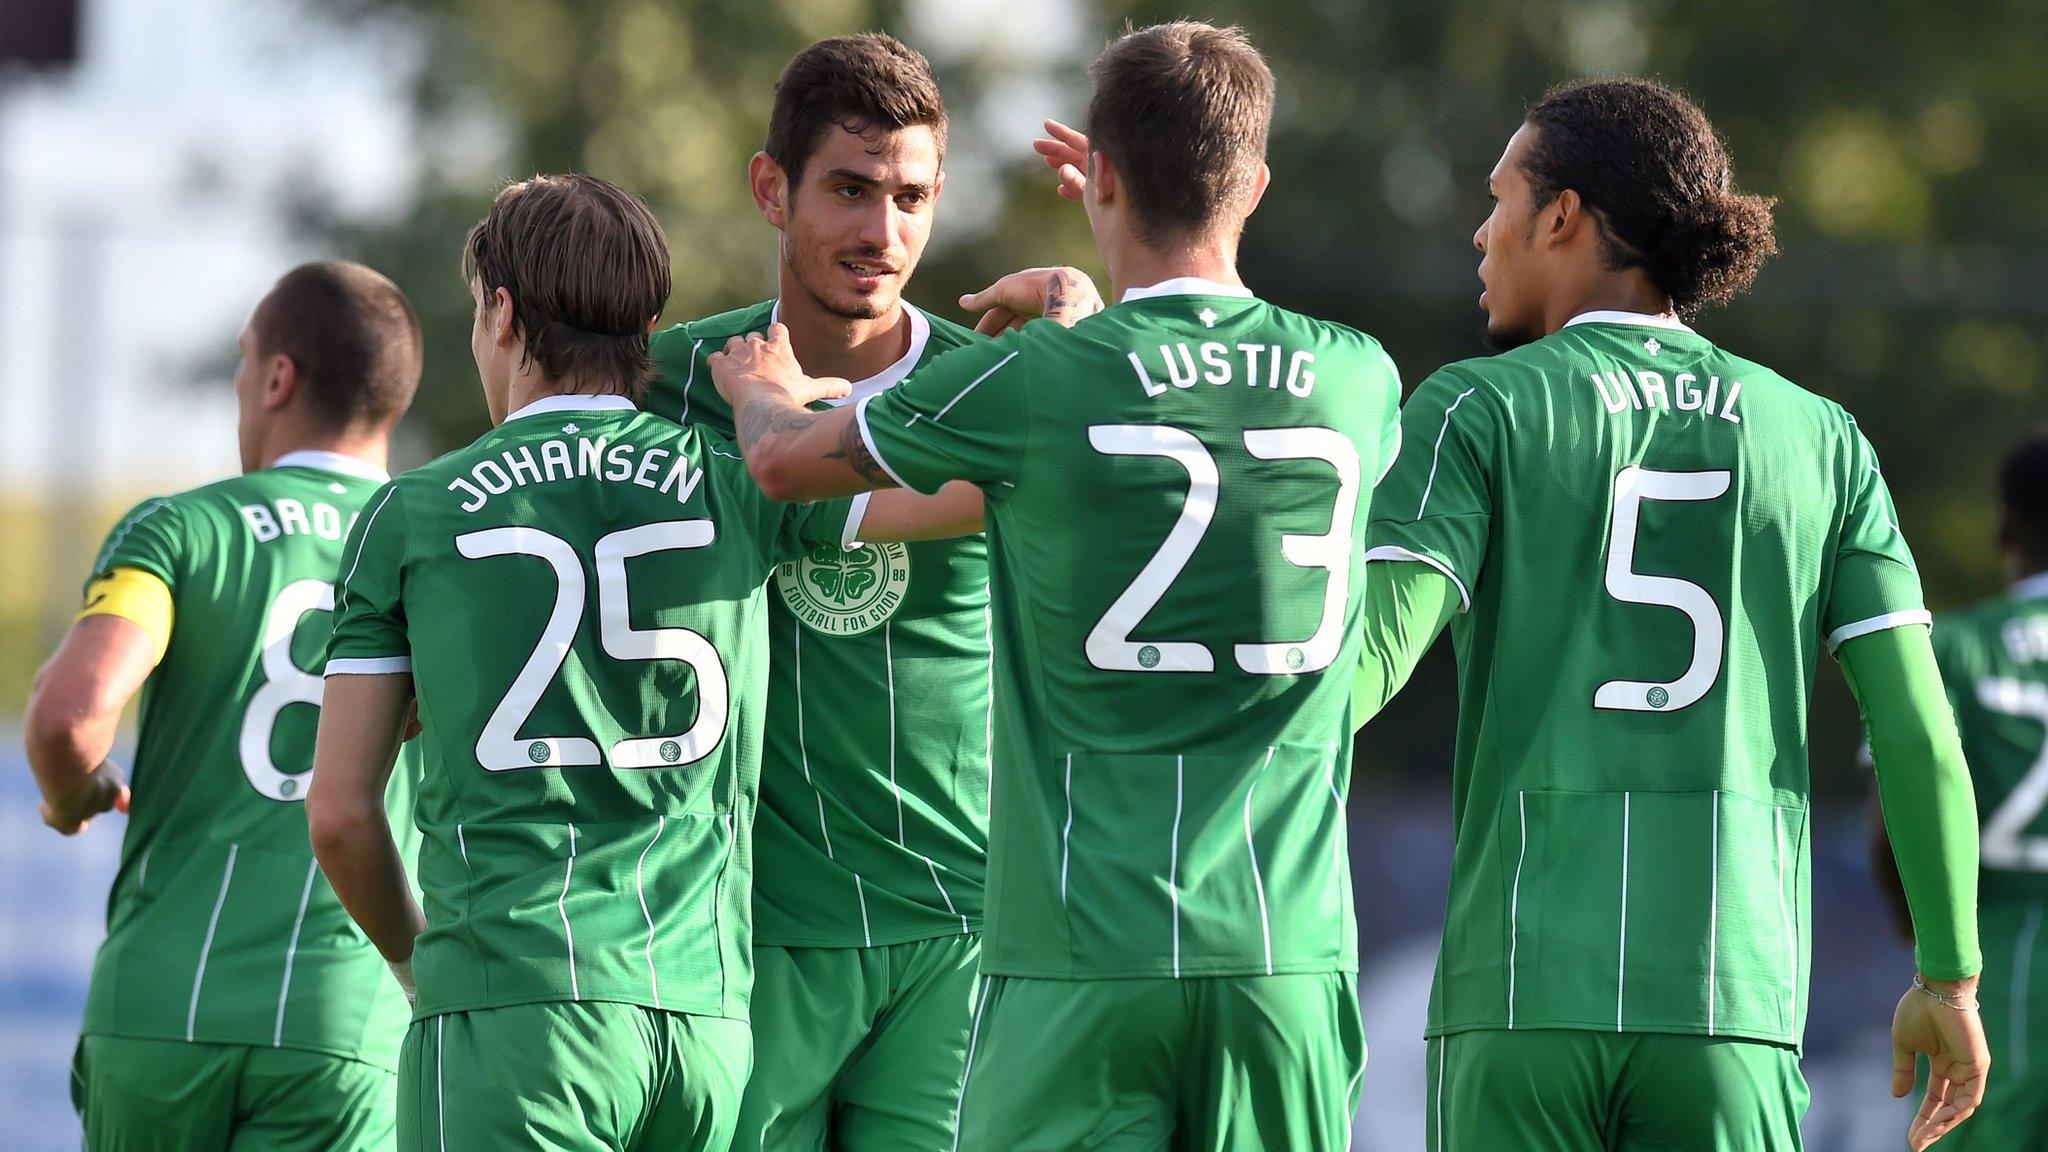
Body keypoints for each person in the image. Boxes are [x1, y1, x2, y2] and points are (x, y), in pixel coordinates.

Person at [707, 22, 1401, 1150]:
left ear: (1104, 177)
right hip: (1280, 952)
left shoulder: (1038, 380)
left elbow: (785, 461)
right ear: (1257, 187)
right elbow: (1192, 398)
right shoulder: (1358, 377)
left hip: (1075, 951)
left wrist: (761, 390)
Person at [1346, 78, 1987, 1151]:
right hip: (1727, 1002)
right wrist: (1948, 972)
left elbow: (1358, 669)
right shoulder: (1820, 438)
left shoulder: (1477, 406)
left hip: (1519, 988)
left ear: (1562, 217)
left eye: (1498, 198)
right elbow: (1918, 734)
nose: (1478, 230)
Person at [305, 173, 979, 1152]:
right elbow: (977, 485)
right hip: (703, 1025)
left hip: (511, 1010)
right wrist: (783, 410)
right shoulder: (741, 487)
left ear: (498, 310)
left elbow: (341, 816)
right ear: (647, 324)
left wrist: (423, 973)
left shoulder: (415, 510)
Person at [643, 36, 1093, 1151]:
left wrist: (1097, 305)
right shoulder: (666, 383)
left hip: (958, 931)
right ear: (769, 189)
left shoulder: (990, 386)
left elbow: (1154, 448)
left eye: (910, 197)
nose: (879, 233)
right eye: (847, 189)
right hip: (745, 937)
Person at [26, 261, 424, 1150]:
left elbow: (69, 719)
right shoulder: (430, 545)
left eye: (246, 362)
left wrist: (70, 796)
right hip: (342, 1019)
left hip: (160, 1009)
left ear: (278, 376)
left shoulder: (180, 531)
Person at [1868, 429, 2048, 1149]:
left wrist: (1930, 945)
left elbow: (1898, 820)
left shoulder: (1955, 647)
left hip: (2002, 955)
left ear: (2003, 527)